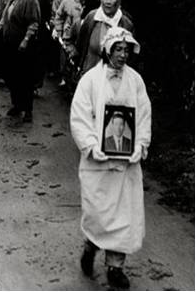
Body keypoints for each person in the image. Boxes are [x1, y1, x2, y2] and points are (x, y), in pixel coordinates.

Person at [70, 26, 151, 289]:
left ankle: (116, 266)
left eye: (126, 50)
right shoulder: (90, 81)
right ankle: (92, 245)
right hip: (99, 163)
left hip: (126, 166)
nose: (122, 55)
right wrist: (92, 146)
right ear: (107, 50)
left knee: (124, 216)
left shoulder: (136, 81)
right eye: (118, 49)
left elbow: (143, 117)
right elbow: (80, 117)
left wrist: (139, 144)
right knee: (99, 213)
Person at [0, 0, 40, 123]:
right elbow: (4, 19)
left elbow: (33, 23)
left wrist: (25, 40)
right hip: (10, 45)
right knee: (11, 76)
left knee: (24, 78)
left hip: (23, 48)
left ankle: (28, 109)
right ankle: (17, 104)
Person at [76, 0, 134, 76]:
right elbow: (80, 44)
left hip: (114, 77)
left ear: (118, 1)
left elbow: (130, 55)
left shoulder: (126, 24)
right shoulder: (92, 17)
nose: (108, 2)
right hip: (90, 74)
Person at [26, 0, 51, 92]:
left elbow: (47, 13)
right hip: (25, 31)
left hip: (40, 32)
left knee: (38, 59)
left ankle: (36, 84)